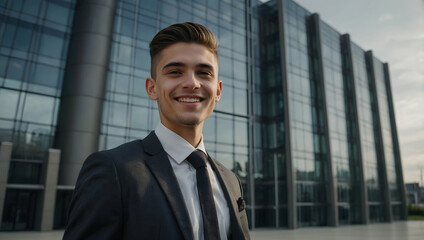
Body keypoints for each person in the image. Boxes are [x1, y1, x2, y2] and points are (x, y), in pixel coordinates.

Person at [63, 22, 250, 240]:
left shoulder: (231, 181)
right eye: (175, 72)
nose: (192, 83)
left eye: (203, 73)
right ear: (152, 88)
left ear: (217, 91)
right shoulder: (112, 171)